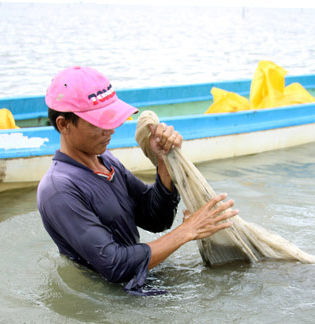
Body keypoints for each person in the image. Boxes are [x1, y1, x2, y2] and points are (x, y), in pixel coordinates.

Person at [37, 66, 239, 294]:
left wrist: (163, 161)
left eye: (110, 118)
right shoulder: (59, 190)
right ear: (64, 124)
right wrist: (187, 231)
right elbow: (114, 265)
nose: (111, 129)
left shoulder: (105, 160)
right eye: (98, 122)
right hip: (113, 298)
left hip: (141, 280)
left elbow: (156, 220)